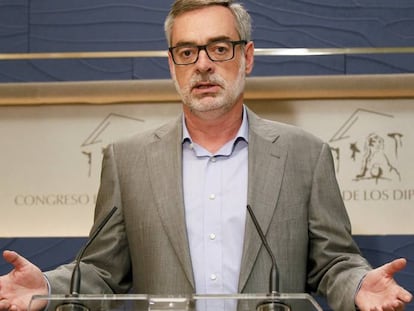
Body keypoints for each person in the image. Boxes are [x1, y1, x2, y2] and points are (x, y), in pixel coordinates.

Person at [0, 1, 412, 310]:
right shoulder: (127, 161)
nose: (202, 65)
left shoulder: (306, 154)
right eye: (187, 52)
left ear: (247, 56)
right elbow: (103, 272)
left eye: (218, 49)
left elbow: (333, 262)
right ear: (172, 65)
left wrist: (358, 285)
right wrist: (49, 288)